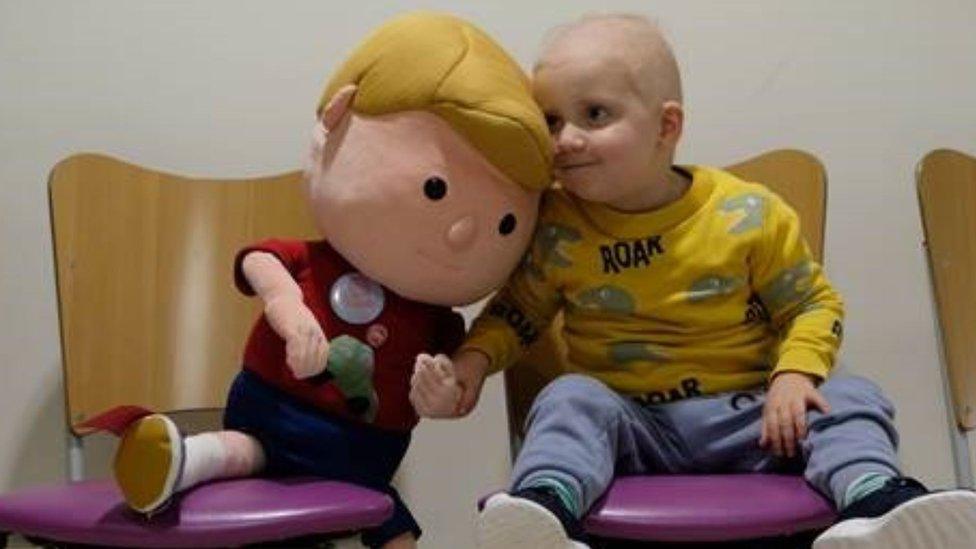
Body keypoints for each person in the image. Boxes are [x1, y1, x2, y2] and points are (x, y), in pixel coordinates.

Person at [408, 13, 976, 549]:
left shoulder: (747, 215)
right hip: (634, 431)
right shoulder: (556, 226)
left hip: (756, 423)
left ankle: (874, 506)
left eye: (595, 115)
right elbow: (516, 314)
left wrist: (794, 374)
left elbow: (812, 305)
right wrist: (470, 365)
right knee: (569, 397)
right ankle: (546, 510)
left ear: (667, 125)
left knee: (849, 395)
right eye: (551, 121)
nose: (565, 139)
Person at [102, 12, 550, 549]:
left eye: (505, 225)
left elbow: (455, 391)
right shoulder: (316, 260)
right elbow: (259, 265)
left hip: (359, 462)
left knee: (388, 521)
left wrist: (441, 395)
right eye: (434, 188)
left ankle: (189, 459)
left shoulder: (440, 323)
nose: (458, 233)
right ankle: (180, 458)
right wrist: (290, 310)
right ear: (337, 117)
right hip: (270, 414)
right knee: (246, 453)